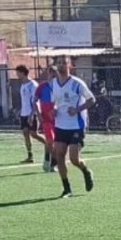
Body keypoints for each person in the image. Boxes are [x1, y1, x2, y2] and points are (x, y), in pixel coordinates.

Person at [49, 57, 96, 199]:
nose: (61, 65)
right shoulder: (53, 84)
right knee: (59, 156)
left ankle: (86, 171)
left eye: (64, 62)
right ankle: (66, 189)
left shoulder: (77, 83)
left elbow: (92, 99)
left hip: (75, 125)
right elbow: (54, 103)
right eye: (59, 63)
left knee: (74, 159)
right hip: (60, 125)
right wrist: (53, 111)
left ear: (70, 65)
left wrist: (77, 109)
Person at [15, 64, 43, 164]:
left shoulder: (33, 85)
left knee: (34, 134)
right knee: (26, 133)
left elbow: (35, 101)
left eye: (18, 72)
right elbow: (25, 100)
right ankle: (30, 156)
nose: (16, 75)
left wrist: (32, 114)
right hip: (24, 114)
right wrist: (21, 110)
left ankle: (50, 145)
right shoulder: (22, 85)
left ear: (23, 73)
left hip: (32, 113)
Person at [34, 67, 57, 172]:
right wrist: (38, 114)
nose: (53, 76)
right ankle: (47, 161)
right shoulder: (42, 86)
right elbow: (34, 101)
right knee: (50, 140)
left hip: (58, 119)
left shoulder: (59, 87)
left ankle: (53, 163)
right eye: (52, 74)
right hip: (46, 119)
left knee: (58, 142)